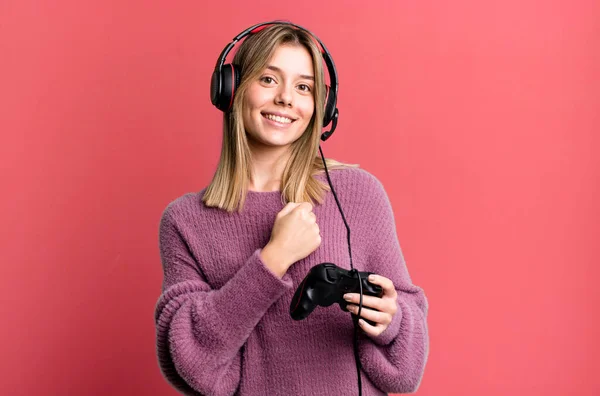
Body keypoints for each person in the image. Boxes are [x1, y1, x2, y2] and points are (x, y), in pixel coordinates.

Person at [154, 21, 429, 396]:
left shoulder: (358, 194)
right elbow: (193, 363)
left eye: (303, 87)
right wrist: (272, 259)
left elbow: (406, 369)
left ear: (322, 107)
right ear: (231, 89)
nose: (286, 98)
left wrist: (392, 321)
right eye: (268, 79)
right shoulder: (185, 222)